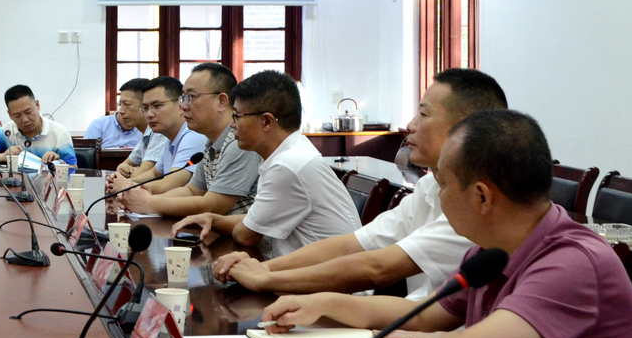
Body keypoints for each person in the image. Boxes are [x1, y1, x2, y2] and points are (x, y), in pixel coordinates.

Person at [261, 110, 632, 338]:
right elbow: (421, 316)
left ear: (482, 197)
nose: (437, 195)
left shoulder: (572, 263)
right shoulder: (492, 250)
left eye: (444, 184)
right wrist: (324, 303)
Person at [216, 69, 508, 298]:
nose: (410, 125)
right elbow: (352, 245)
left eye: (423, 114)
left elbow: (378, 268)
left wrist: (267, 278)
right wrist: (263, 269)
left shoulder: (478, 206)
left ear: (466, 128)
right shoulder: (430, 188)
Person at [173, 71, 359, 258]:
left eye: (237, 116)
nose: (232, 124)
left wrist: (223, 223)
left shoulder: (288, 166)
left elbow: (246, 235)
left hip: (328, 274)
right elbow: (256, 219)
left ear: (267, 122)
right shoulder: (289, 152)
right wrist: (213, 220)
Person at [115, 64, 260, 218]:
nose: (183, 106)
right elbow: (192, 190)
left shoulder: (239, 142)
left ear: (222, 101)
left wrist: (149, 203)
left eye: (191, 97)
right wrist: (145, 197)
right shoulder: (211, 142)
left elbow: (215, 205)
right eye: (183, 98)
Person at [109, 76, 208, 196]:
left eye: (157, 106)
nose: (149, 115)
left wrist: (125, 186)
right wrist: (120, 182)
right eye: (145, 108)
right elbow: (154, 173)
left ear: (180, 106)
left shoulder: (193, 136)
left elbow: (169, 184)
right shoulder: (170, 138)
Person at [0, 85, 77, 166]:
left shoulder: (59, 133)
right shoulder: (6, 132)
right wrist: (3, 156)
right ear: (10, 115)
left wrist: (57, 162)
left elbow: (73, 168)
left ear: (37, 105)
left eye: (28, 112)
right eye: (17, 115)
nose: (25, 120)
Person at [84, 78, 149, 149]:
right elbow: (88, 153)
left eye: (126, 104)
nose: (121, 111)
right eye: (120, 104)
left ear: (144, 107)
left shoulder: (152, 132)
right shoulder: (99, 126)